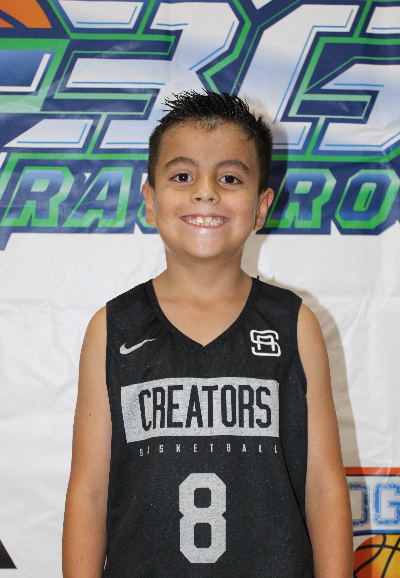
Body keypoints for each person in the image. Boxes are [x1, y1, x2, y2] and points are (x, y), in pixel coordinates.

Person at [62, 91, 353, 578]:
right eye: (182, 176)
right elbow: (89, 493)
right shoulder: (112, 327)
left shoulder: (294, 324)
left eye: (230, 178)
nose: (206, 192)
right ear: (150, 200)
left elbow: (323, 487)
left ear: (261, 207)